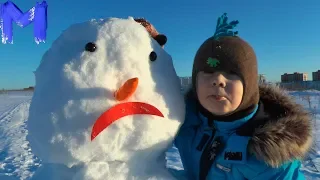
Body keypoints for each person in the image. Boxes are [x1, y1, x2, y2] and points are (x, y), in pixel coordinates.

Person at [169, 13, 313, 180]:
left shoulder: (269, 156)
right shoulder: (185, 121)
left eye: (231, 73)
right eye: (208, 72)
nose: (218, 81)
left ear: (249, 85)